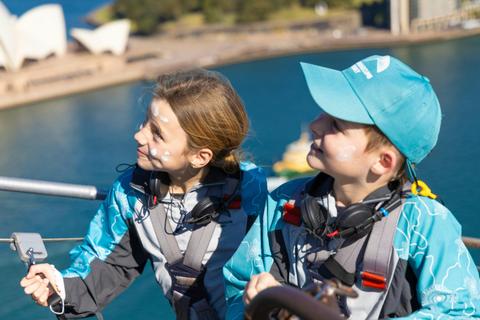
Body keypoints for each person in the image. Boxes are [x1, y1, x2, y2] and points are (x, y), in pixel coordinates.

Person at [223, 55, 480, 319]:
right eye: (323, 115)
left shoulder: (425, 223)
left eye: (335, 124)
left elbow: (460, 311)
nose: (315, 125)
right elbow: (235, 283)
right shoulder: (283, 202)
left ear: (383, 161)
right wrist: (252, 301)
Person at [20, 69, 267, 319]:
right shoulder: (131, 192)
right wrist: (59, 286)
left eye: (157, 134)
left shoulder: (251, 191)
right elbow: (107, 263)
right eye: (145, 122)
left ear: (200, 156)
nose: (138, 135)